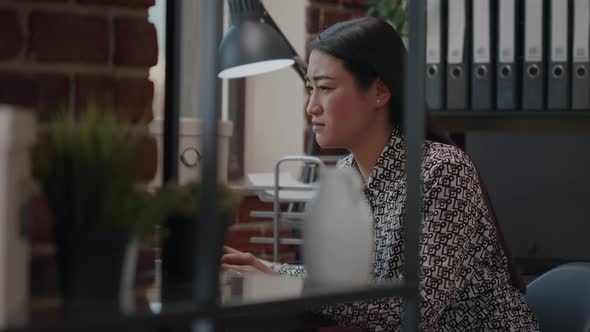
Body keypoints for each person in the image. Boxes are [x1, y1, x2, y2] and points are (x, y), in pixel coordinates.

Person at [222, 17, 540, 331]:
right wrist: (271, 271)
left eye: (325, 88)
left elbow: (414, 306)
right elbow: (340, 283)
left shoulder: (441, 171)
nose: (311, 107)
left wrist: (293, 288)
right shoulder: (348, 173)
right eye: (310, 89)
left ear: (379, 91)